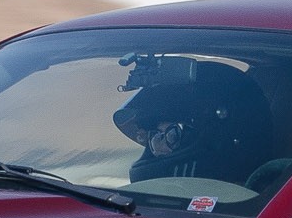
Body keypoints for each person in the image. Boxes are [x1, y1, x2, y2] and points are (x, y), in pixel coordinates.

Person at [113, 55, 272, 187]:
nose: (157, 147)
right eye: (153, 136)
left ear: (218, 138)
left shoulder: (247, 205)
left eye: (172, 135)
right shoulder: (138, 205)